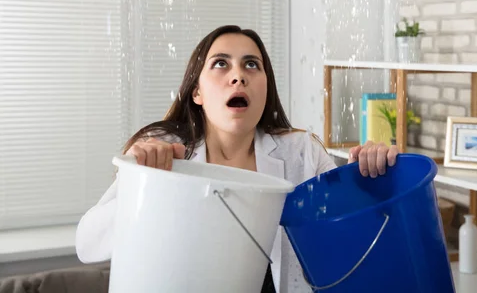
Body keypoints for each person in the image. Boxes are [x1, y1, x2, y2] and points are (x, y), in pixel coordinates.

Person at [75, 25, 399, 293]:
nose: (238, 76)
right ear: (196, 92)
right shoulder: (165, 154)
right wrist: (140, 182)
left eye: (251, 65)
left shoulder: (303, 152)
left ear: (265, 87)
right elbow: (88, 245)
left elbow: (353, 238)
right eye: (220, 63)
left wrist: (373, 175)